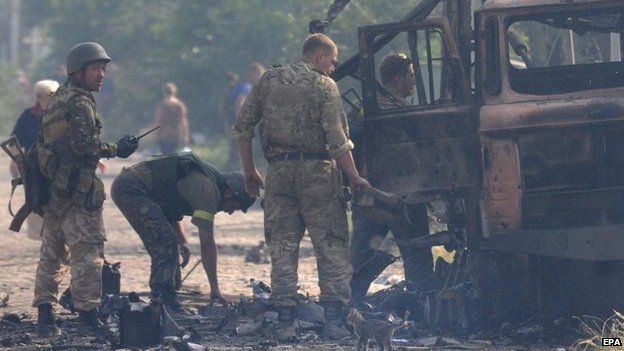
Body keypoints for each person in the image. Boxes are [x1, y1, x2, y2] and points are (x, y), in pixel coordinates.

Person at [233, 33, 370, 341]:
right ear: (320, 57)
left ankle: (285, 321)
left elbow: (243, 128)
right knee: (331, 244)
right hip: (318, 173)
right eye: (332, 62)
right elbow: (337, 140)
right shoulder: (324, 86)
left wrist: (249, 171)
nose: (333, 68)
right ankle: (334, 321)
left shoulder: (268, 80)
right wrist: (354, 177)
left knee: (282, 247)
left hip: (278, 173)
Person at [33, 42, 139, 337]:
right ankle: (88, 317)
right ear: (78, 72)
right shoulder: (80, 101)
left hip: (54, 190)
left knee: (50, 253)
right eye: (96, 69)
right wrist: (118, 149)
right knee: (88, 253)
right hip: (79, 192)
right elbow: (85, 146)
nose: (102, 75)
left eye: (104, 69)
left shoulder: (55, 99)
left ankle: (45, 316)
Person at [111, 152, 256, 310]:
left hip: (141, 189)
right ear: (230, 192)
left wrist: (183, 242)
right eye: (236, 206)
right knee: (165, 242)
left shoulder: (211, 182)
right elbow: (207, 243)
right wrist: (214, 288)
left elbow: (169, 209)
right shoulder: (207, 192)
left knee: (170, 241)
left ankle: (169, 294)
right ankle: (162, 298)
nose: (230, 212)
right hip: (132, 189)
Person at [349, 54, 434, 301]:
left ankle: (347, 309)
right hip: (400, 197)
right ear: (397, 78)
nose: (413, 83)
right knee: (417, 258)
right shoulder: (392, 112)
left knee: (360, 257)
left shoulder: (366, 109)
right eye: (410, 76)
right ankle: (421, 308)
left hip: (375, 197)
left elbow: (349, 145)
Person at [9, 80, 59, 239]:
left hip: (57, 168)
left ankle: (56, 241)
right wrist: (16, 161)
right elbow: (14, 141)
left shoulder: (60, 116)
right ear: (39, 96)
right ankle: (44, 240)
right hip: (34, 169)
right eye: (45, 95)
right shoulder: (28, 116)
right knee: (36, 201)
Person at [224, 63, 266, 171]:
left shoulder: (241, 86)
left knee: (235, 148)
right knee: (241, 148)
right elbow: (239, 103)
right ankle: (239, 174)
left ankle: (235, 171)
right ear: (254, 73)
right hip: (238, 122)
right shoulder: (247, 87)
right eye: (260, 74)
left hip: (232, 121)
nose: (262, 77)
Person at [152, 82, 189, 154]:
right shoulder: (179, 105)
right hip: (175, 135)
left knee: (165, 155)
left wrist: (154, 135)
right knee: (172, 154)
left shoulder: (162, 105)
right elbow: (183, 121)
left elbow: (157, 121)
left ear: (164, 92)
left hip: (163, 135)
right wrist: (185, 136)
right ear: (174, 92)